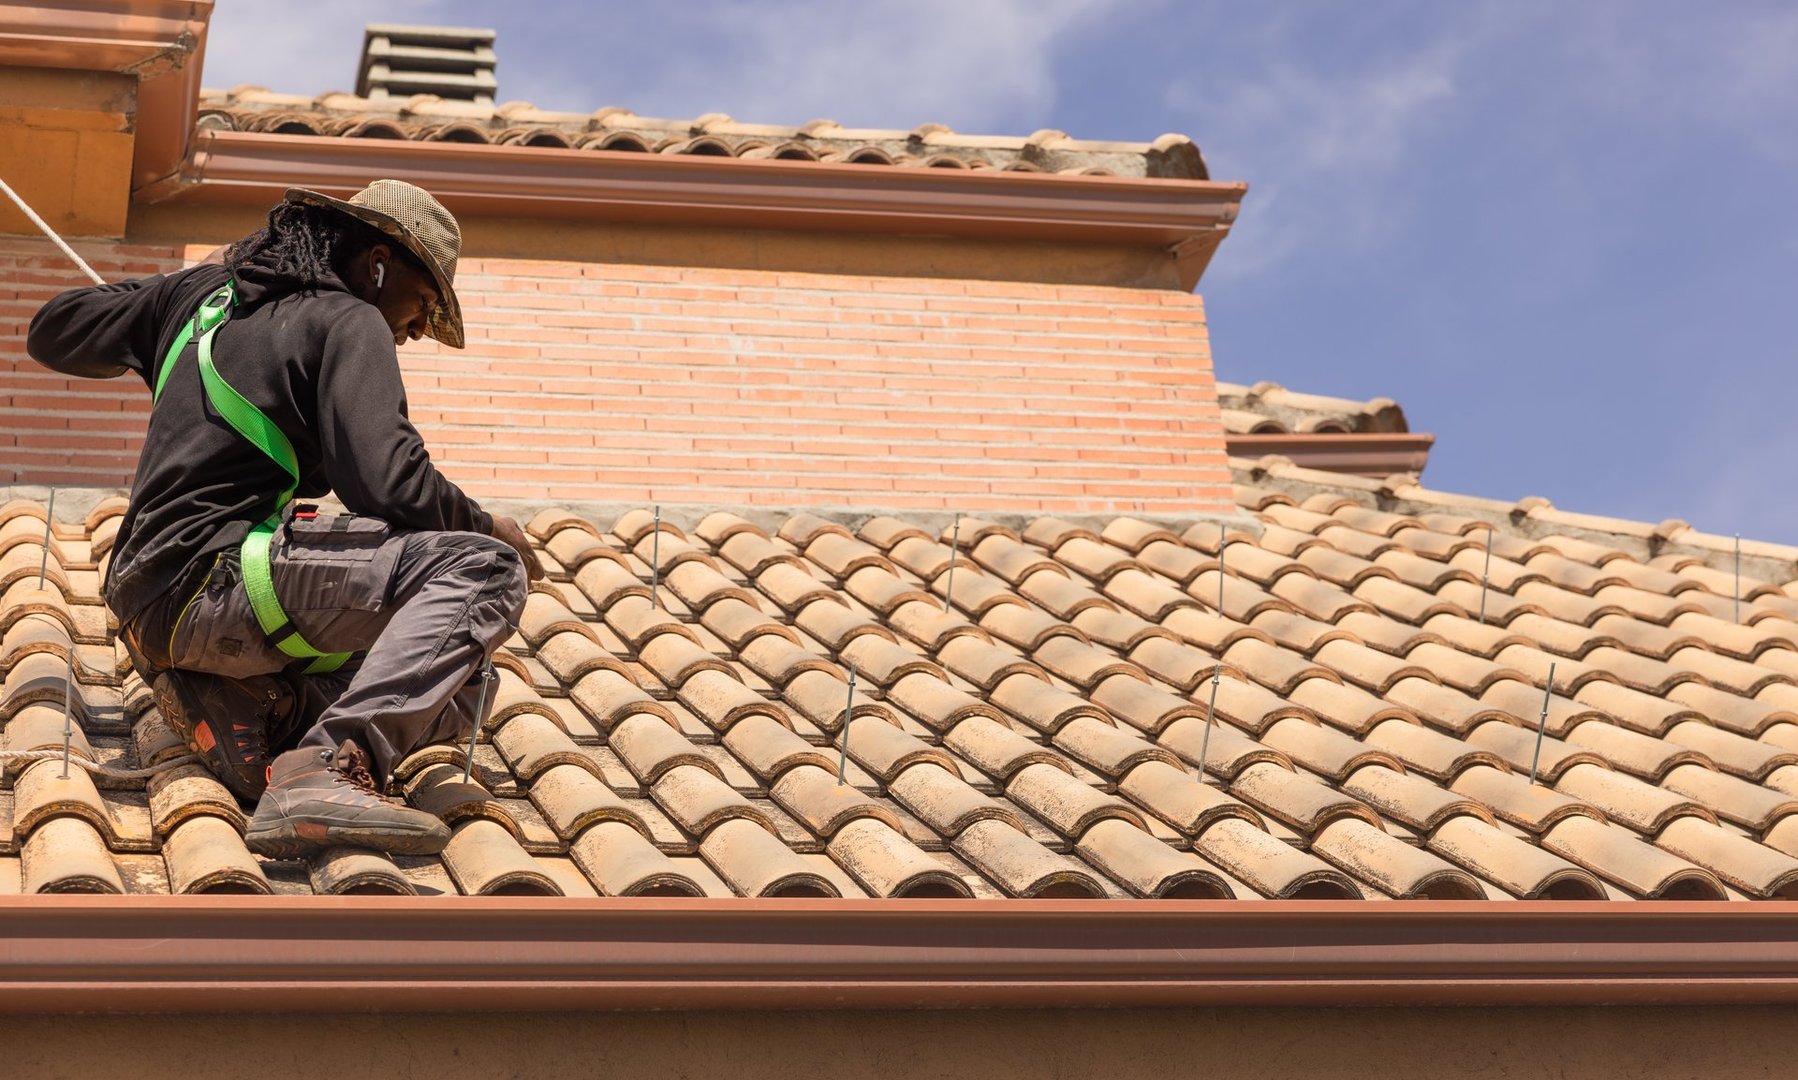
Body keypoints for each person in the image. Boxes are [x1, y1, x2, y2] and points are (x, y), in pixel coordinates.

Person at [27, 179, 543, 858]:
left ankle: (250, 702)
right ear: (377, 263)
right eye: (422, 303)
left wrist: (179, 296)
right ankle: (323, 769)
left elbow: (54, 330)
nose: (418, 329)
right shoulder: (349, 319)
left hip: (146, 602)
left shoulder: (198, 303)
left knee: (464, 682)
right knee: (485, 574)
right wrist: (485, 526)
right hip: (219, 583)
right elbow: (386, 481)